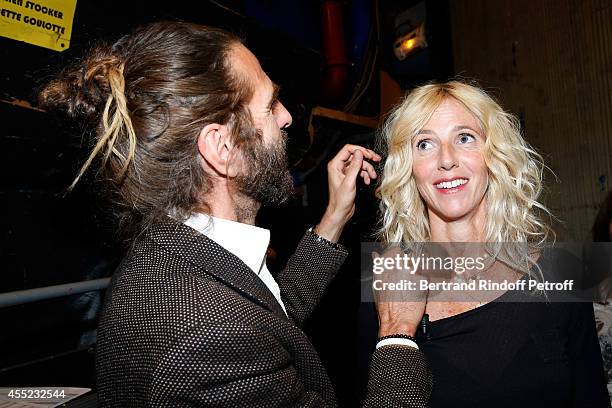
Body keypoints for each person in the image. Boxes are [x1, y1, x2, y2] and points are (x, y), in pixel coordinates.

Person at [40, 21, 432, 407]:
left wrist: (334, 216)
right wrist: (397, 332)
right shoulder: (206, 335)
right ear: (222, 147)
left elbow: (270, 310)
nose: (286, 118)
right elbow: (241, 328)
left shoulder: (176, 256)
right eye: (269, 104)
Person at [376, 80, 610, 407]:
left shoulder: (561, 272)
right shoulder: (386, 288)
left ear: (494, 154)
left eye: (465, 138)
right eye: (425, 144)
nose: (447, 160)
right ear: (407, 168)